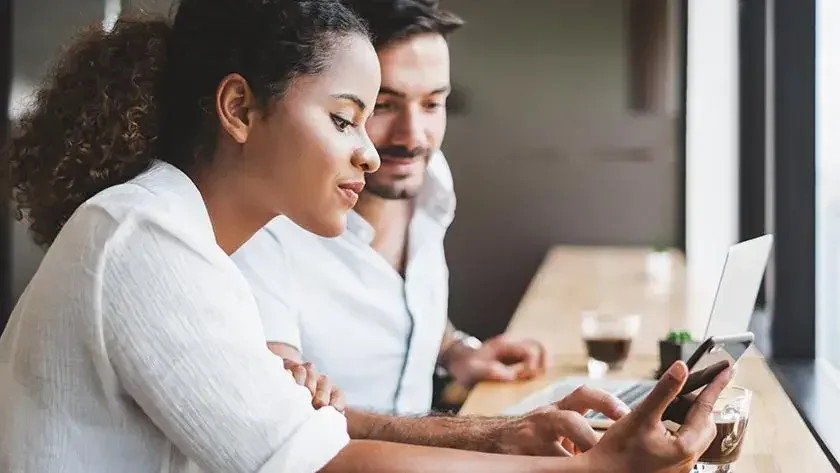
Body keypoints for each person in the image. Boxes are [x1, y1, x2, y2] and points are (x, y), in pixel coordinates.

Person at [0, 1, 731, 472]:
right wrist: (592, 470)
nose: (374, 151)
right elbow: (326, 463)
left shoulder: (183, 242)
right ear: (239, 109)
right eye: (348, 117)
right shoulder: (145, 238)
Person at [233, 0, 546, 420]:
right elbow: (287, 416)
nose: (412, 136)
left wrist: (457, 351)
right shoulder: (265, 230)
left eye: (433, 104)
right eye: (383, 105)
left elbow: (403, 299)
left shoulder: (429, 176)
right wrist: (485, 437)